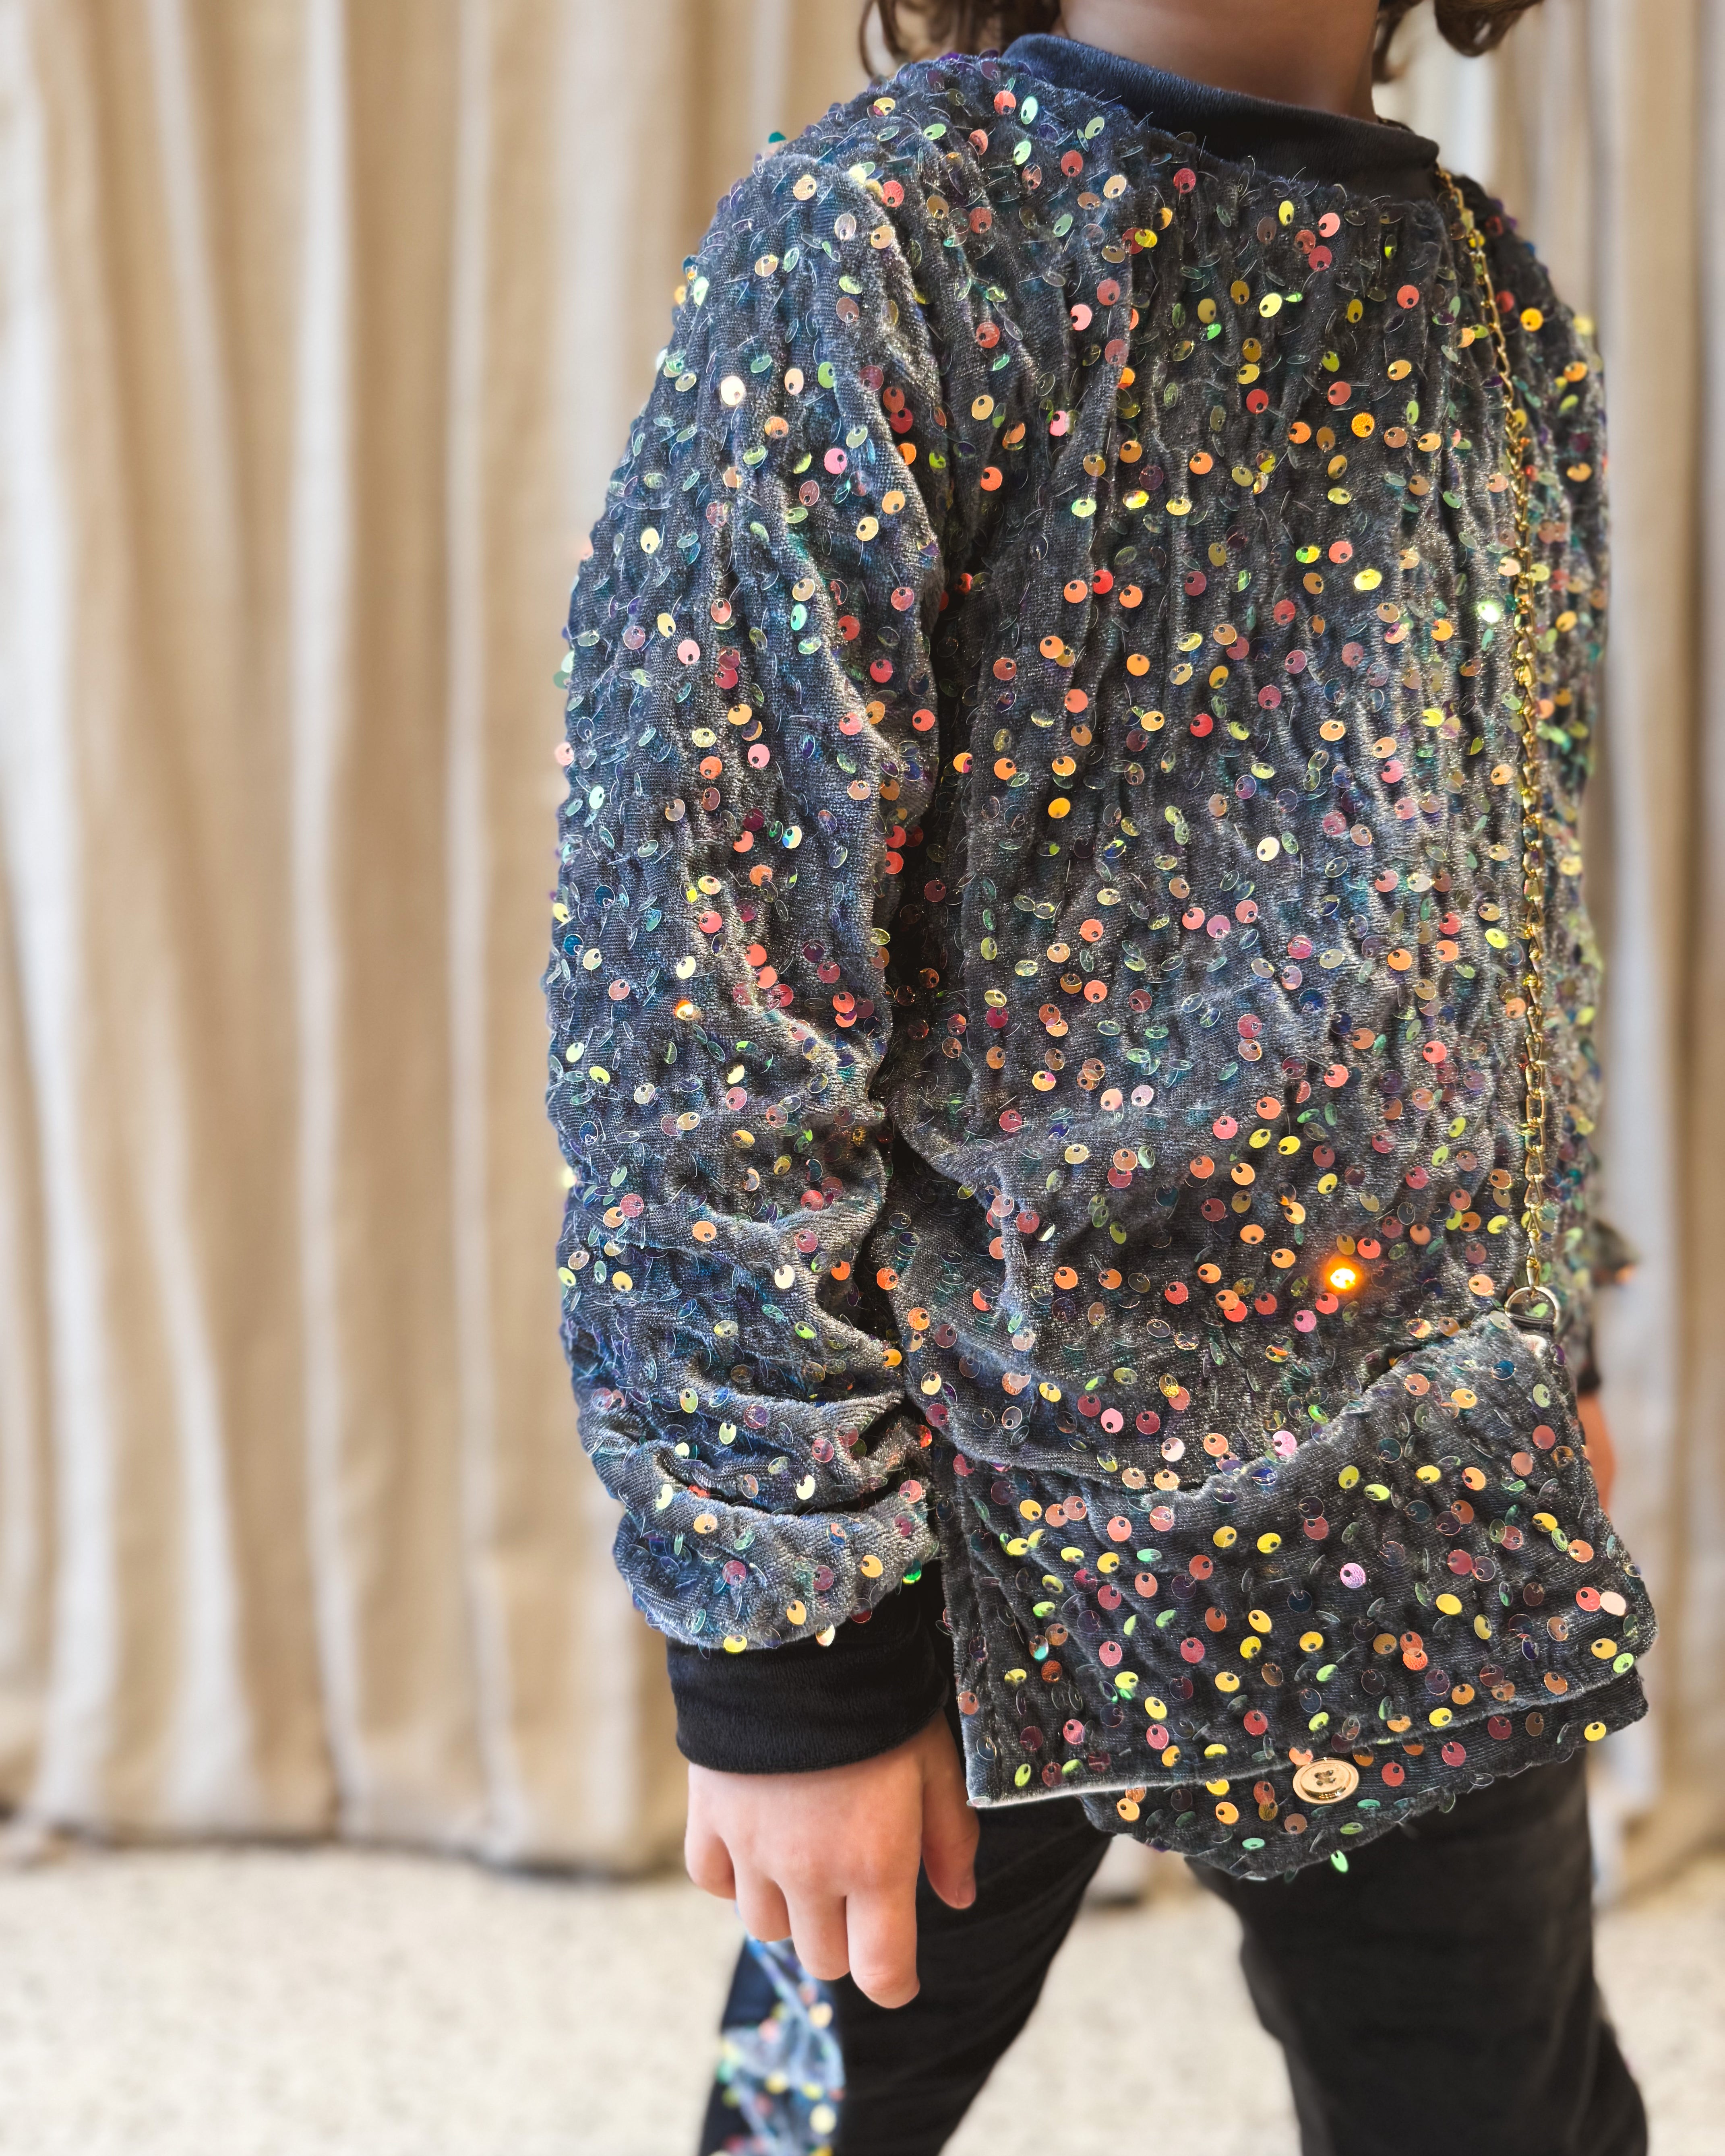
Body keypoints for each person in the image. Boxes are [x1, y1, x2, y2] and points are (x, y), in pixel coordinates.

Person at [543, 2, 1645, 2149]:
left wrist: (1547, 1326)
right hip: (970, 1505)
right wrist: (785, 1638)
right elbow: (698, 963)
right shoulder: (887, 237)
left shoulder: (1491, 304)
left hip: (1420, 1494)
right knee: (809, 2118)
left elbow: (1503, 896)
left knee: (1507, 2110)